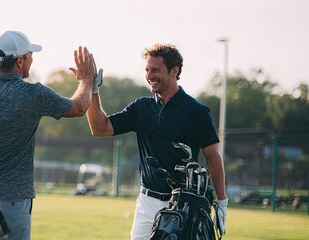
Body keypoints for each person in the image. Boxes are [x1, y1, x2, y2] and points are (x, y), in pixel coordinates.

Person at [0, 30, 95, 240]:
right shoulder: (35, 94)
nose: (32, 59)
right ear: (20, 61)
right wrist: (86, 80)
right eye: (30, 55)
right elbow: (78, 108)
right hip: (12, 202)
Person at [87, 43, 228, 239]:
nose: (149, 75)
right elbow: (100, 128)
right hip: (147, 202)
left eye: (155, 70)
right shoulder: (141, 107)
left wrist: (222, 201)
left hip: (183, 205)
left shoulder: (196, 111)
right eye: (147, 70)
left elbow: (213, 156)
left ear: (174, 71)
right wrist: (92, 90)